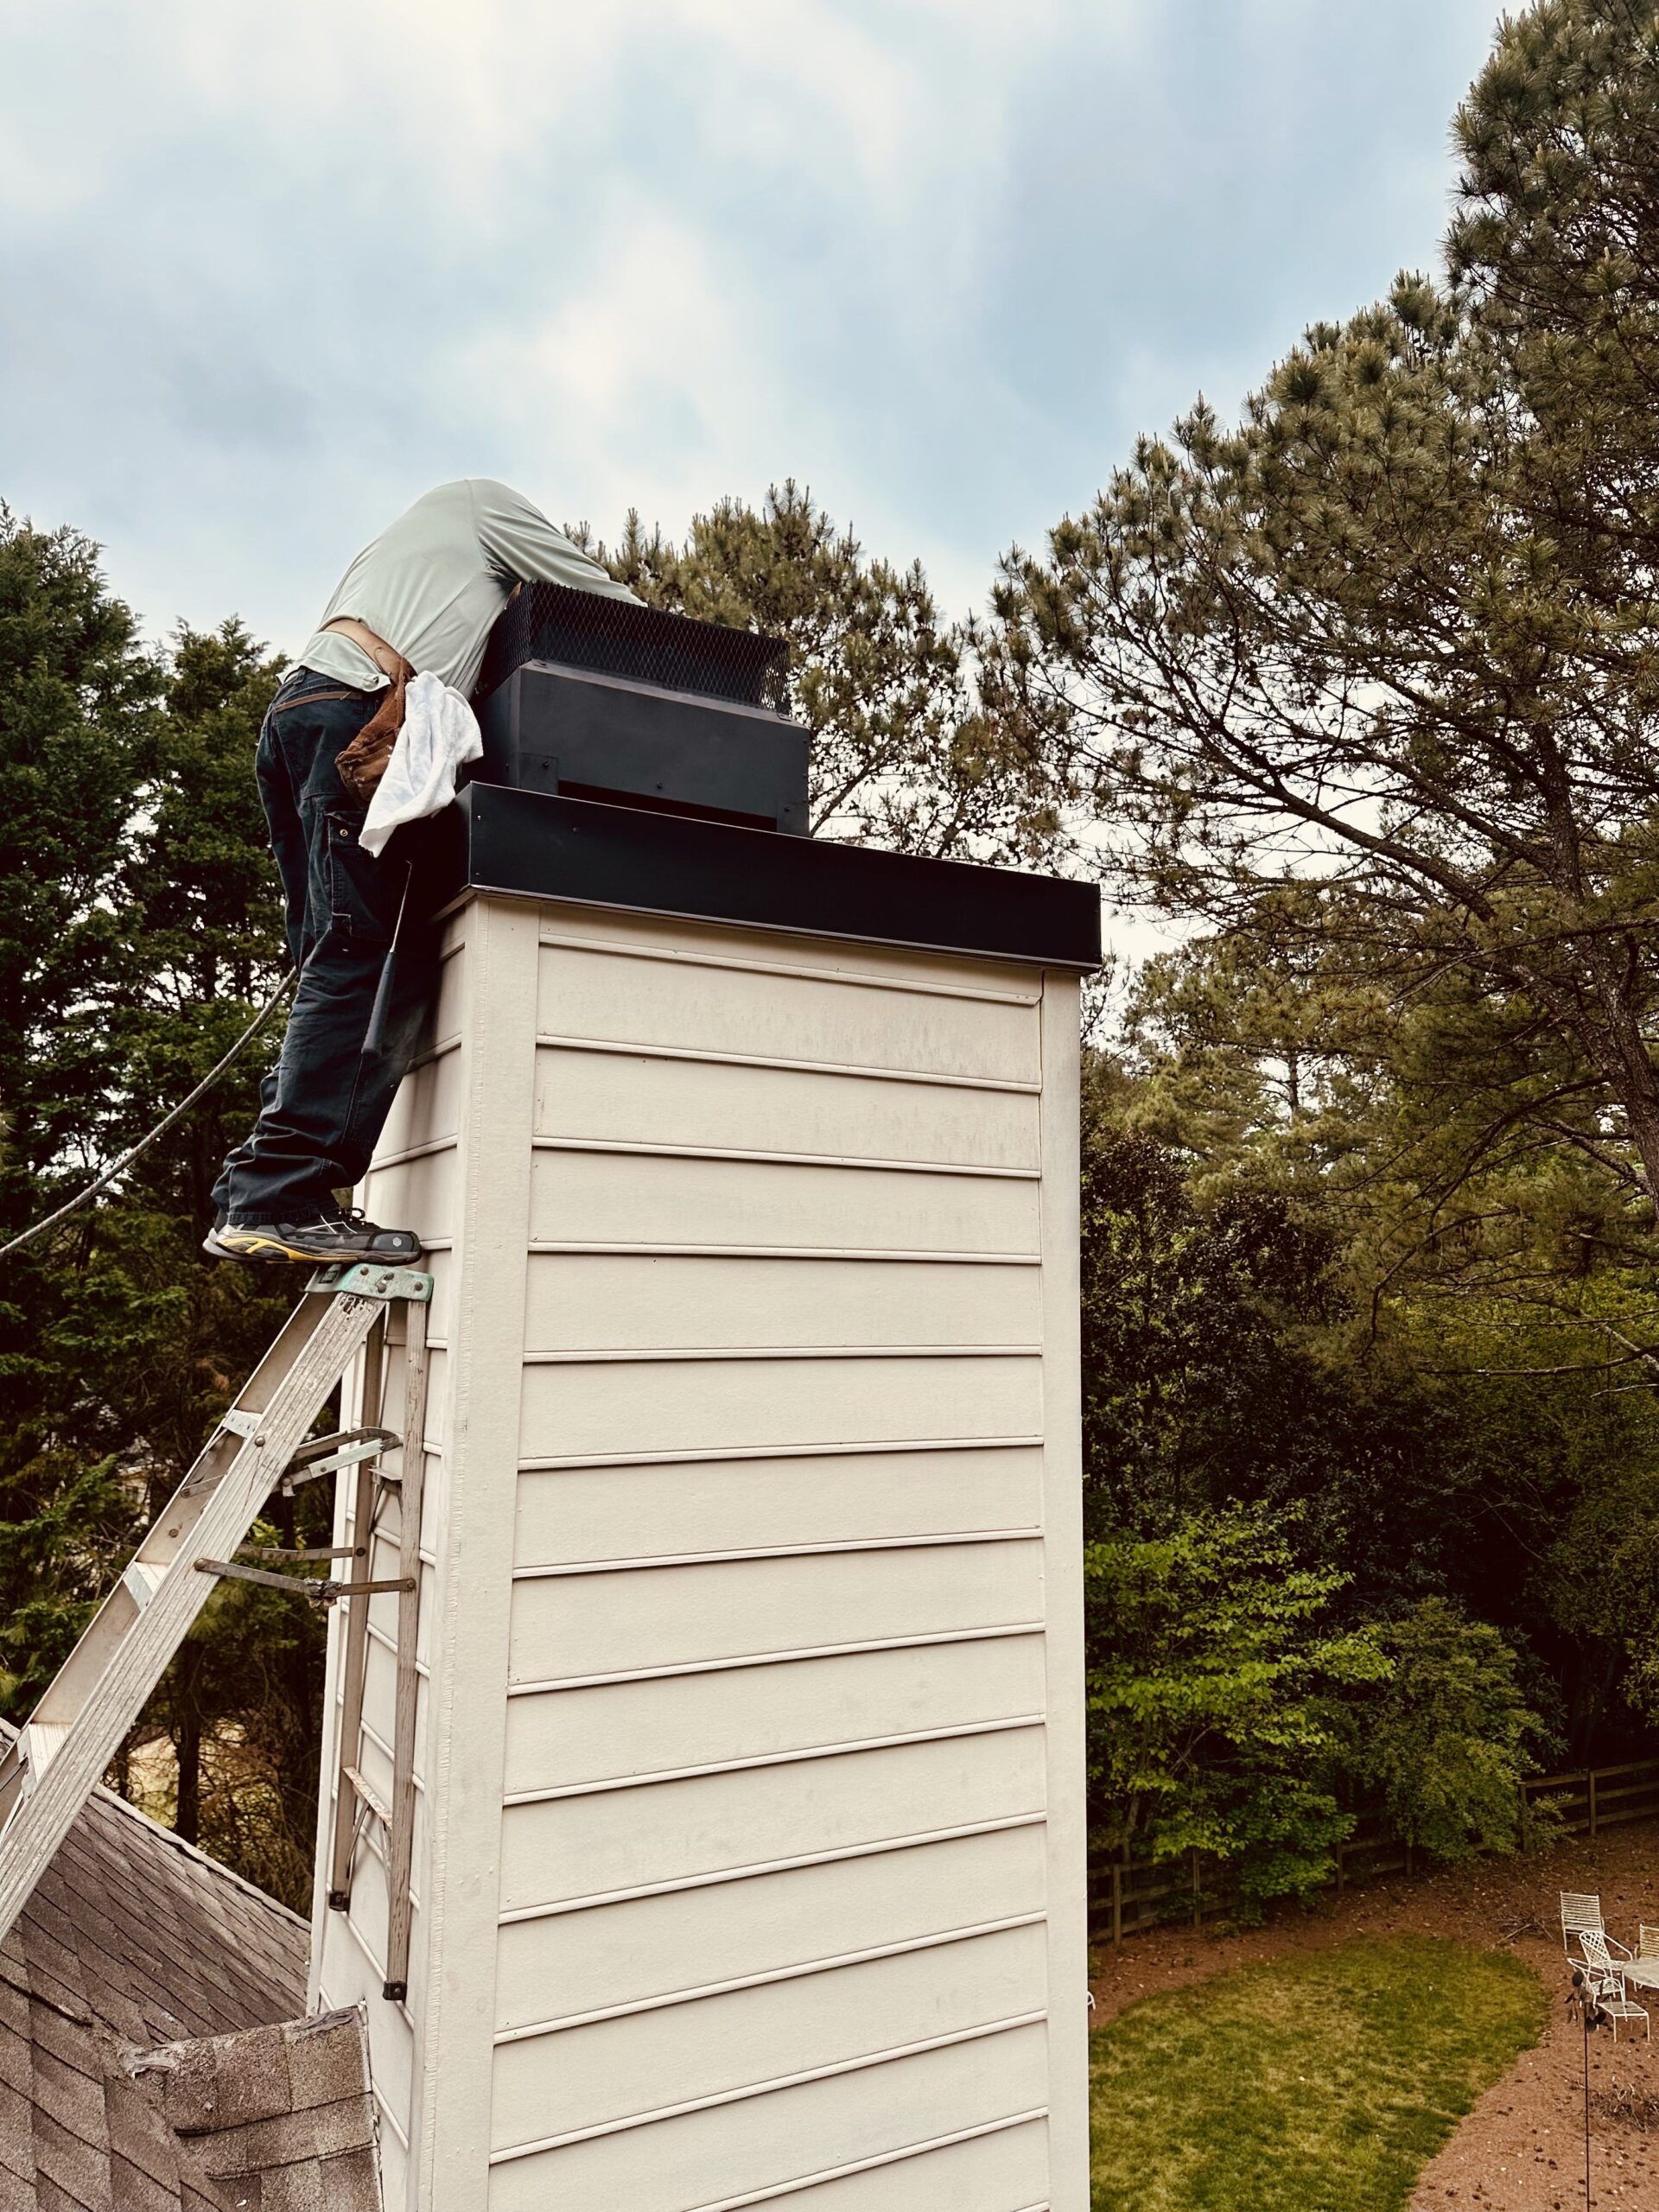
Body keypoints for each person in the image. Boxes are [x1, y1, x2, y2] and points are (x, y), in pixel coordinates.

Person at [207, 479, 638, 1265]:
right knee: (358, 958)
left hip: (301, 718)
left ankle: (255, 1193)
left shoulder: (407, 558)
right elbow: (609, 608)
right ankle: (279, 1194)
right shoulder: (482, 503)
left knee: (331, 958)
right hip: (361, 715)